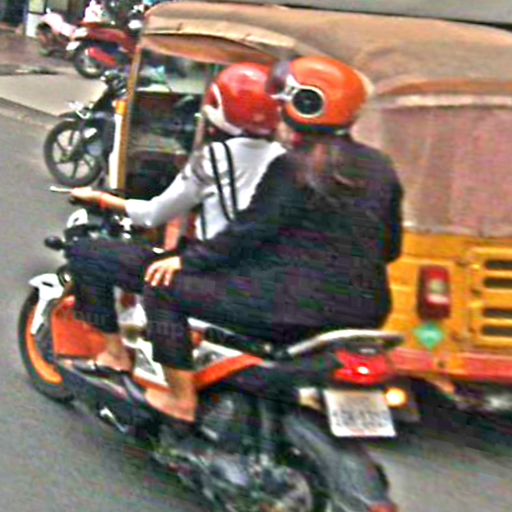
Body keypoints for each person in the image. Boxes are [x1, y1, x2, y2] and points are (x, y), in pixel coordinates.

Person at [106, 55, 403, 428]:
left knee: (160, 289)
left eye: (284, 99)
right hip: (367, 310)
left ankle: (180, 399)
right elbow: (390, 248)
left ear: (304, 104)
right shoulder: (380, 166)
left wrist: (185, 261)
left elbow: (248, 233)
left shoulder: (292, 166)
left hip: (286, 306)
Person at [68, 62, 284, 415]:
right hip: (260, 277)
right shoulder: (286, 159)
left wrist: (104, 199)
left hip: (209, 270)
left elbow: (154, 214)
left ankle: (115, 354)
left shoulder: (213, 158)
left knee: (87, 254)